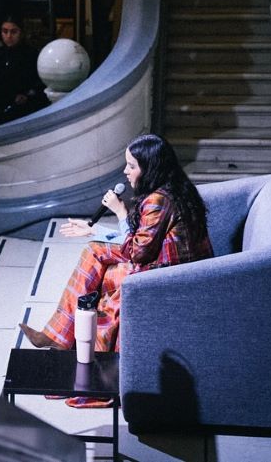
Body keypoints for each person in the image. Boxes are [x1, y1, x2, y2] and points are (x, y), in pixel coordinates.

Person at [19, 134, 213, 408]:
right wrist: (96, 229)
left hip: (169, 279)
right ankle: (62, 341)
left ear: (150, 167)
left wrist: (121, 213)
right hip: (165, 267)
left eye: (132, 166)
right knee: (94, 253)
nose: (125, 171)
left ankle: (92, 376)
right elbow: (142, 241)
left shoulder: (159, 200)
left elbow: (138, 252)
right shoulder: (172, 188)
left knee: (108, 288)